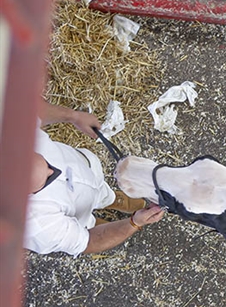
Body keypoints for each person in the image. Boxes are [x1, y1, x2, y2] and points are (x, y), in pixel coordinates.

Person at [24, 101, 165, 256]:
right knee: (88, 225)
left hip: (87, 169)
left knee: (102, 191)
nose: (54, 171)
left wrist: (73, 116)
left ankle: (111, 199)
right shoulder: (36, 226)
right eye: (46, 180)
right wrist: (134, 223)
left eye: (45, 161)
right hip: (77, 215)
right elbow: (89, 242)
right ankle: (94, 222)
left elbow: (32, 113)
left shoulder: (8, 131)